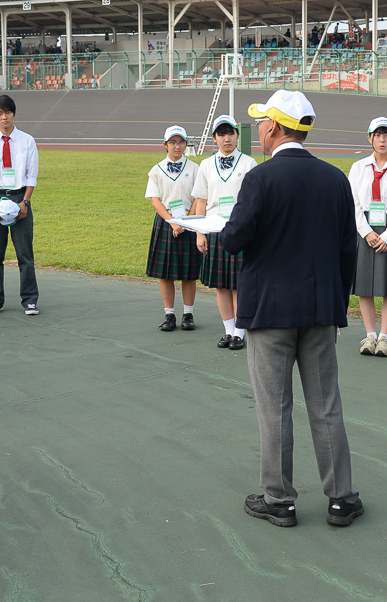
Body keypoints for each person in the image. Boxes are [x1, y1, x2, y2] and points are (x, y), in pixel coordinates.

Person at [220, 90, 362, 528]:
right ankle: (341, 498)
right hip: (320, 308)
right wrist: (336, 303)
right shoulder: (335, 179)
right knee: (326, 406)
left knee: (274, 407)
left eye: (263, 123)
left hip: (269, 311)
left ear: (275, 128)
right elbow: (346, 250)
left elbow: (233, 240)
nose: (259, 130)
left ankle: (279, 499)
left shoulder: (260, 179)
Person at [191, 115, 256, 349]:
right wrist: (200, 233)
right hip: (214, 230)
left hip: (239, 230)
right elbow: (201, 200)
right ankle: (228, 331)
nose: (226, 138)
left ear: (237, 135)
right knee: (221, 285)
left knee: (239, 284)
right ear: (214, 138)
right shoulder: (206, 165)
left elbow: (253, 203)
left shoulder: (249, 164)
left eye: (230, 132)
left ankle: (240, 332)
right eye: (221, 133)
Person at [347, 116, 387, 357]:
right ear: (369, 138)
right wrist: (366, 232)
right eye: (377, 135)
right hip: (365, 230)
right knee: (365, 286)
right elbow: (352, 203)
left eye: (386, 135)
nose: (382, 140)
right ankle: (369, 335)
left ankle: (384, 338)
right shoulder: (358, 168)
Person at [0, 95, 40, 315]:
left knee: (25, 254)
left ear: (14, 113)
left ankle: (30, 300)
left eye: (7, 112)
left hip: (20, 198)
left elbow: (32, 175)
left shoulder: (27, 140)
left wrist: (25, 202)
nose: (4, 117)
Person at [144, 125, 200, 332]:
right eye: (173, 142)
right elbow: (155, 200)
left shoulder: (195, 169)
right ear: (165, 145)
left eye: (181, 142)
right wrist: (172, 222)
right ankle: (169, 315)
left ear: (186, 144)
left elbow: (198, 197)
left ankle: (188, 314)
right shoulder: (156, 170)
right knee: (165, 273)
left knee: (188, 273)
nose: (177, 146)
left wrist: (185, 221)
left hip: (189, 222)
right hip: (166, 223)